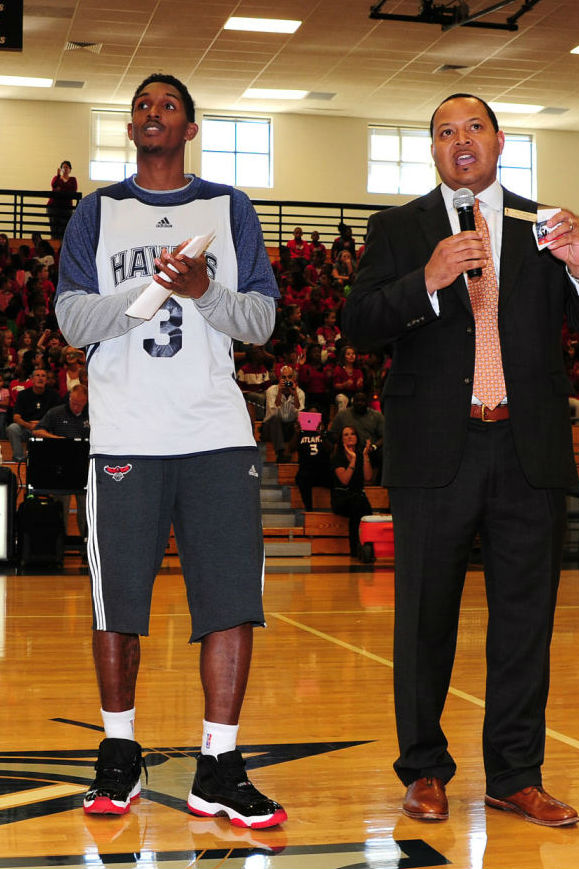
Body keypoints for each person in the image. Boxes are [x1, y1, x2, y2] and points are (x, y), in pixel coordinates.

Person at [343, 92, 579, 827]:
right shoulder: (399, 228)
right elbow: (357, 324)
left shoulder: (543, 225)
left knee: (525, 622)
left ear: (500, 141)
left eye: (474, 128)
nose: (460, 141)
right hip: (438, 449)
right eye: (444, 132)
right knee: (424, 621)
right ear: (430, 150)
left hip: (527, 451)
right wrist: (426, 281)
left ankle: (515, 775)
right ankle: (425, 770)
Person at [55, 73, 286, 828]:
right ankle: (118, 752)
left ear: (190, 126)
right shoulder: (97, 211)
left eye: (169, 107)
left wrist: (203, 290)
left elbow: (260, 321)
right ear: (130, 127)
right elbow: (73, 320)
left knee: (229, 600)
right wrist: (155, 291)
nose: (153, 114)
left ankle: (218, 763)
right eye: (142, 106)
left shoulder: (230, 208)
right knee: (117, 601)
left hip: (216, 435)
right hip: (126, 436)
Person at [33, 384, 90, 538]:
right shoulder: (56, 412)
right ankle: (60, 543)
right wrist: (58, 440)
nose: (77, 407)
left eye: (81, 404)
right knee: (61, 507)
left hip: (85, 467)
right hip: (61, 467)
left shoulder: (92, 414)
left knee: (86, 508)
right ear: (69, 398)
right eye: (74, 403)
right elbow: (38, 430)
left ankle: (86, 545)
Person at [330, 425, 372, 557]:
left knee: (361, 505)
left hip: (357, 498)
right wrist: (353, 461)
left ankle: (366, 548)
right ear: (342, 439)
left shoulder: (361, 455)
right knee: (358, 504)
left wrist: (365, 457)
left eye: (352, 434)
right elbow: (344, 480)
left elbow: (368, 477)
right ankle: (358, 549)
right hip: (341, 498)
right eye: (346, 434)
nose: (349, 436)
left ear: (357, 438)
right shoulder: (338, 458)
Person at [7, 366, 61, 462]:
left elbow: (57, 417)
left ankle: (50, 460)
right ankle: (19, 458)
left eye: (43, 376)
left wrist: (40, 424)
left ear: (47, 380)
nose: (40, 378)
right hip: (27, 428)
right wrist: (29, 425)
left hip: (45, 430)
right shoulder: (22, 394)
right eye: (37, 375)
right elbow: (16, 417)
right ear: (31, 379)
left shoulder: (54, 395)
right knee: (12, 428)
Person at [262, 365, 305, 462]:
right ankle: (281, 453)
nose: (287, 380)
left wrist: (295, 395)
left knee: (300, 424)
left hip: (288, 427)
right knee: (275, 418)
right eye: (284, 377)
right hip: (271, 427)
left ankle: (292, 452)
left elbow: (300, 415)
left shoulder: (300, 392)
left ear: (294, 379)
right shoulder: (271, 390)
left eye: (289, 377)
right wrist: (280, 392)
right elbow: (273, 413)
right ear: (279, 378)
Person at [47, 161, 78, 239]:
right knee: (54, 228)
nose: (65, 169)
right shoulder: (56, 178)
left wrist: (61, 188)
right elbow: (54, 185)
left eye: (67, 167)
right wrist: (58, 176)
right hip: (54, 206)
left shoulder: (73, 179)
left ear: (70, 169)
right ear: (61, 169)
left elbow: (73, 190)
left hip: (66, 207)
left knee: (65, 228)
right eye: (63, 167)